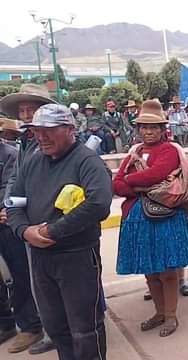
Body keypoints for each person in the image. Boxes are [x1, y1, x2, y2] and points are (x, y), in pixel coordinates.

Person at [7, 104, 112, 359]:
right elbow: (14, 201)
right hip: (41, 259)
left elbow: (98, 203)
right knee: (56, 326)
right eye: (37, 131)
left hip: (77, 257)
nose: (41, 137)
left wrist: (53, 231)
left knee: (85, 328)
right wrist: (24, 230)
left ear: (69, 129)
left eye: (49, 130)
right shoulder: (33, 162)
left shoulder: (86, 161)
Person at [113, 100, 188, 338]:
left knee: (168, 269)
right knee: (150, 270)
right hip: (139, 218)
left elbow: (157, 174)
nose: (148, 132)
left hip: (164, 217)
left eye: (153, 128)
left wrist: (133, 182)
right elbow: (116, 183)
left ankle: (170, 315)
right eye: (143, 127)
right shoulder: (134, 153)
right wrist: (139, 187)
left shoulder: (170, 151)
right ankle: (159, 312)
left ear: (163, 129)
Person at [0, 84, 57, 355]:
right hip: (24, 218)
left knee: (53, 279)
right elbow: (17, 181)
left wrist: (10, 208)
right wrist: (11, 206)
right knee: (33, 278)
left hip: (49, 220)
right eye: (21, 110)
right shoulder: (24, 141)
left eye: (30, 109)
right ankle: (45, 328)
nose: (25, 114)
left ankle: (56, 329)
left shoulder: (53, 139)